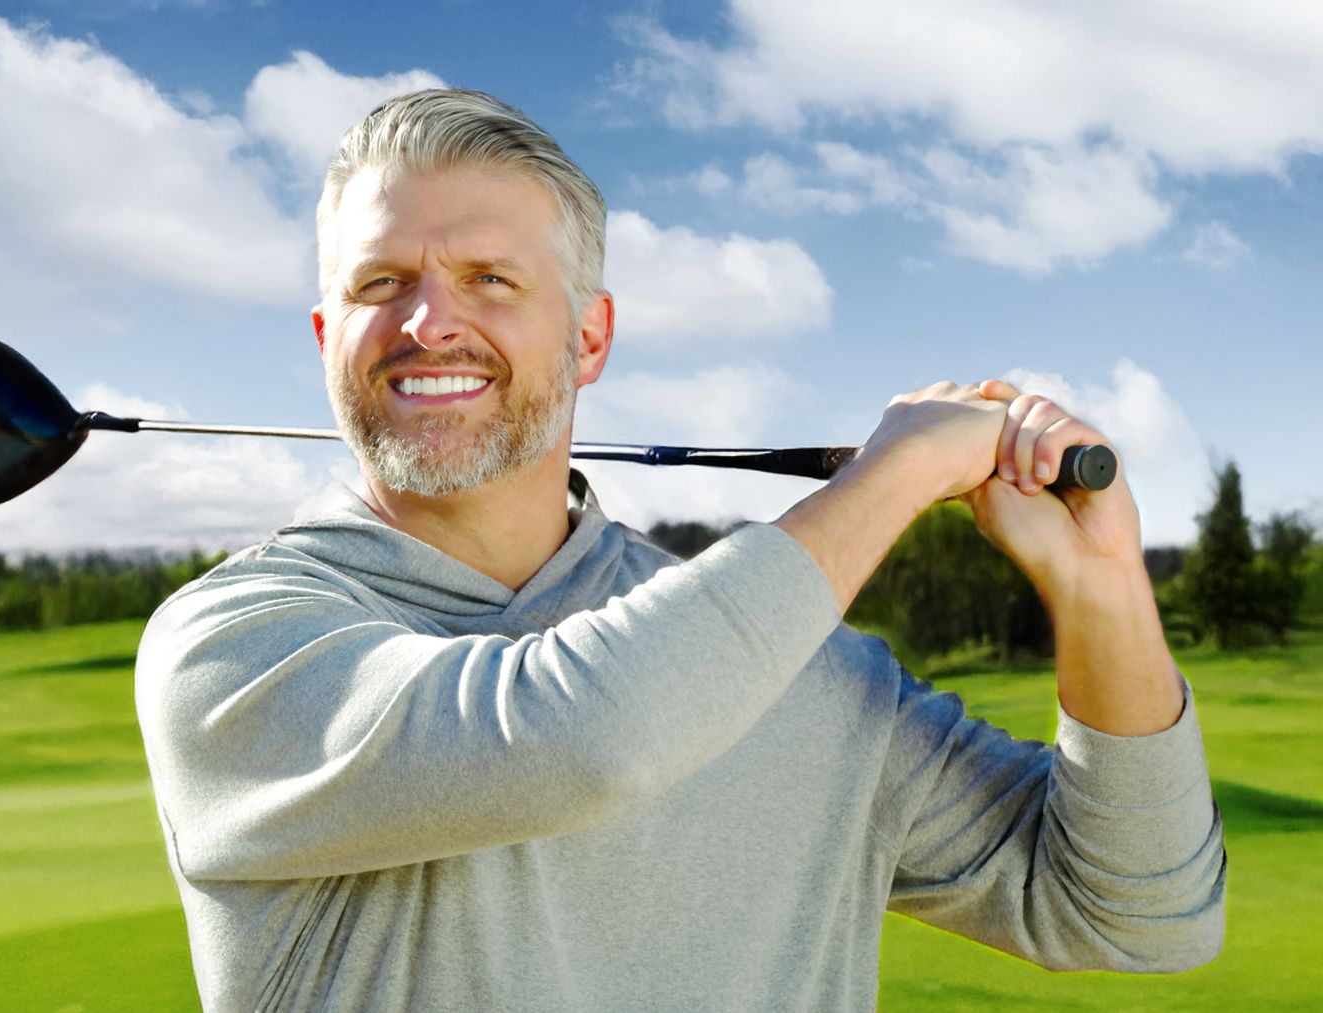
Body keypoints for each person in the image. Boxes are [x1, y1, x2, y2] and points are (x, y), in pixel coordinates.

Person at [134, 89, 1225, 1011]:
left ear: (591, 336)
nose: (429, 323)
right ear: (326, 337)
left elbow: (1141, 913)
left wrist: (1101, 587)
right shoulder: (231, 643)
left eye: (489, 278)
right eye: (381, 283)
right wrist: (896, 473)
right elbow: (582, 735)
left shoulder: (806, 671)